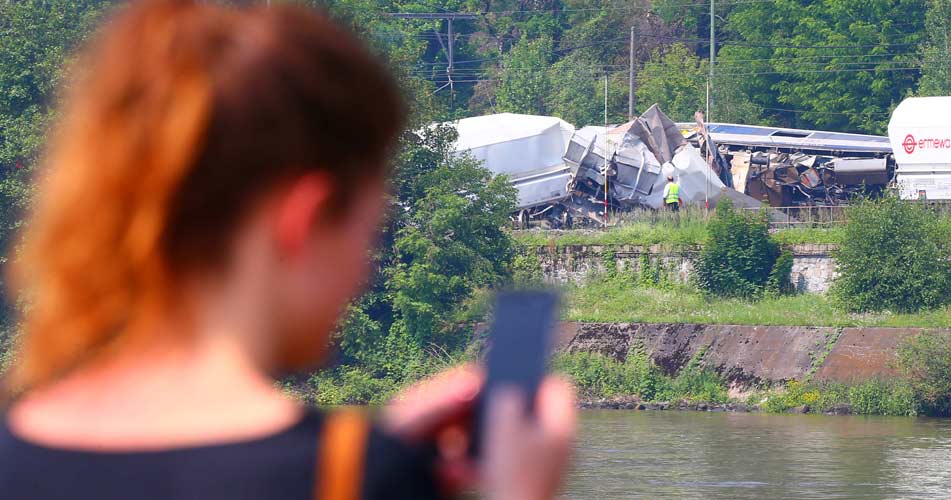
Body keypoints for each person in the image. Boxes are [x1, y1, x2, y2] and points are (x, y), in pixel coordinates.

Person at [0, 1, 575, 499]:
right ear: (302, 218)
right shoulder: (358, 477)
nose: (364, 273)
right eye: (366, 233)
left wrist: (378, 451)